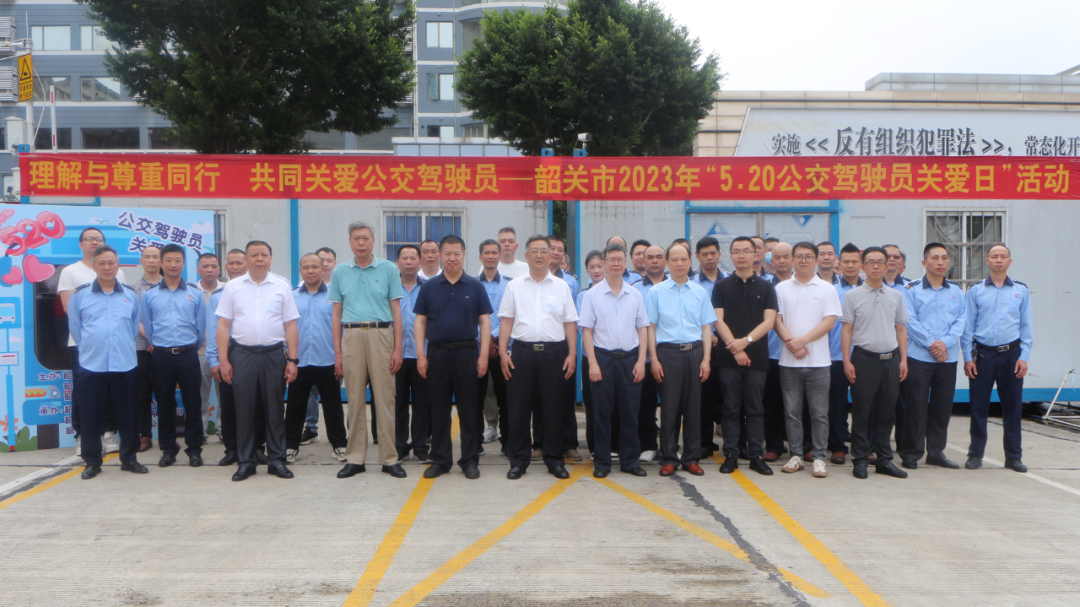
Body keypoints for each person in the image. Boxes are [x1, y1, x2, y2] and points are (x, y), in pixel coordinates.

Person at [215, 240, 300, 481]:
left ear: (271, 258)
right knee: (244, 410)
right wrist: (224, 361)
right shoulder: (233, 287)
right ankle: (246, 461)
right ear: (247, 259)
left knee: (275, 409)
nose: (259, 258)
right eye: (254, 255)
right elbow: (224, 325)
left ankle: (277, 460)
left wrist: (293, 360)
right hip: (242, 355)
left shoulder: (282, 286)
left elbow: (290, 324)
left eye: (264, 254)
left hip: (274, 355)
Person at [330, 221, 406, 479]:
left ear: (373, 241)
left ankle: (389, 458)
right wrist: (338, 354)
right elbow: (336, 314)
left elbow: (396, 310)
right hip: (351, 335)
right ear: (350, 242)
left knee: (385, 398)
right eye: (356, 238)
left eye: (365, 238)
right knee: (354, 399)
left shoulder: (389, 269)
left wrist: (397, 348)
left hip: (381, 334)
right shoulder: (340, 272)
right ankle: (355, 458)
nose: (361, 243)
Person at [499, 235, 578, 480]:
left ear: (551, 255)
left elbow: (570, 322)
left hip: (554, 354)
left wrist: (572, 354)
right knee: (518, 409)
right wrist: (503, 352)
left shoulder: (561, 286)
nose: (540, 255)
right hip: (521, 353)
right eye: (534, 250)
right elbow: (506, 321)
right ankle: (518, 461)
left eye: (544, 250)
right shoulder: (515, 286)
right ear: (527, 256)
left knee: (553, 408)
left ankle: (554, 460)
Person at [414, 235, 493, 479]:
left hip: (467, 353)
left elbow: (484, 322)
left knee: (469, 410)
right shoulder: (429, 287)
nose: (452, 258)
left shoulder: (475, 286)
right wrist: (421, 355)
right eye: (447, 253)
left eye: (457, 253)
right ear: (440, 255)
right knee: (438, 410)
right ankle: (441, 460)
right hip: (436, 354)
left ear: (464, 256)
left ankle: (469, 460)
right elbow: (420, 322)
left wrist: (483, 356)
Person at [68, 245, 147, 479]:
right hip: (91, 365)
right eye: (101, 263)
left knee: (128, 414)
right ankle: (92, 461)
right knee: (90, 415)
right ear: (94, 266)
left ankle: (129, 459)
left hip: (125, 364)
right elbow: (76, 330)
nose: (106, 267)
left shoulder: (130, 295)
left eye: (111, 262)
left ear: (118, 265)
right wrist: (93, 347)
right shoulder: (80, 295)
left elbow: (132, 328)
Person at [580, 243, 649, 478]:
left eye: (620, 259)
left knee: (630, 412)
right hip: (603, 359)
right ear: (605, 263)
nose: (616, 263)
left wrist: (641, 361)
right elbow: (587, 331)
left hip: (630, 359)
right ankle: (602, 462)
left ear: (625, 263)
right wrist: (592, 363)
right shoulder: (592, 295)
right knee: (602, 413)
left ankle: (630, 461)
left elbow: (642, 328)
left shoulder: (635, 294)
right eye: (612, 259)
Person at [961, 244, 1032, 473]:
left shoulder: (1021, 291)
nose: (999, 260)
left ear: (1010, 261)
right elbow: (968, 327)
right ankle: (975, 454)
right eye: (994, 256)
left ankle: (1013, 457)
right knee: (978, 407)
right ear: (987, 261)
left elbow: (1026, 327)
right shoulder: (975, 291)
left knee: (1013, 408)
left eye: (1003, 256)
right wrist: (968, 358)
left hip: (1011, 355)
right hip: (983, 355)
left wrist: (1023, 356)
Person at [773, 242, 842, 478]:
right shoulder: (781, 288)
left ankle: (819, 457)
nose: (804, 260)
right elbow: (777, 320)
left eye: (809, 257)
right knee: (792, 412)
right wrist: (791, 343)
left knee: (819, 413)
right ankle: (796, 455)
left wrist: (801, 341)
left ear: (816, 260)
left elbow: (829, 322)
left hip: (819, 362)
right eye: (799, 256)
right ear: (792, 259)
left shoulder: (827, 289)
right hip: (789, 362)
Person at [841, 246, 909, 480]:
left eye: (881, 261)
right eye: (871, 262)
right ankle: (860, 459)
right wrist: (847, 361)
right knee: (861, 412)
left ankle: (884, 460)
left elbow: (901, 329)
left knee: (887, 413)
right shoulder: (853, 296)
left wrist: (903, 360)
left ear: (888, 265)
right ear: (863, 267)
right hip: (864, 360)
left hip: (891, 360)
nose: (876, 266)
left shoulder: (896, 295)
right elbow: (846, 330)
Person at [647, 243, 715, 477]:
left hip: (695, 353)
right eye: (674, 259)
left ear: (689, 262)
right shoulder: (656, 292)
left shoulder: (699, 292)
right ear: (667, 263)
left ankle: (691, 457)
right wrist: (654, 359)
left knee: (693, 407)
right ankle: (669, 457)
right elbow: (651, 327)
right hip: (668, 354)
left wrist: (706, 359)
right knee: (669, 407)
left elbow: (706, 327)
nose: (679, 263)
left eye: (683, 259)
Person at [59, 227, 128, 455]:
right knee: (83, 392)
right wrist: (86, 342)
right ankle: (83, 437)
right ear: (81, 244)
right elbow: (70, 310)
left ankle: (109, 433)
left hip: (114, 345)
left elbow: (125, 311)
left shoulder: (118, 273)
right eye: (89, 238)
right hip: (82, 345)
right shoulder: (70, 271)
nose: (94, 242)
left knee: (110, 390)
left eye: (99, 238)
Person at [899, 243, 966, 470]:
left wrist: (945, 343)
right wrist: (932, 344)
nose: (940, 262)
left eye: (944, 258)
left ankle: (936, 452)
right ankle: (911, 453)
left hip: (947, 358)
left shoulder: (956, 290)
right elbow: (909, 321)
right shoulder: (911, 289)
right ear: (924, 262)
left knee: (942, 407)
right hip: (919, 357)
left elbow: (961, 320)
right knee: (916, 407)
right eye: (935, 258)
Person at [713, 237, 776, 476]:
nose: (741, 255)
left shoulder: (766, 287)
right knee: (730, 407)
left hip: (757, 357)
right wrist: (736, 348)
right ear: (730, 256)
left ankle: (756, 455)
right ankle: (730, 454)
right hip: (728, 357)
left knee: (755, 408)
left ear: (755, 254)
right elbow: (717, 320)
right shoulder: (721, 286)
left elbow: (769, 322)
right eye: (736, 251)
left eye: (746, 251)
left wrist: (745, 342)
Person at [141, 244, 207, 468]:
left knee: (193, 402)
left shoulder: (195, 293)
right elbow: (148, 327)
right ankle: (168, 449)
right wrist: (158, 345)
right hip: (161, 356)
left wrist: (191, 347)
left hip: (188, 355)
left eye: (177, 260)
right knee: (164, 404)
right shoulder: (149, 295)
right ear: (161, 263)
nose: (173, 264)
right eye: (168, 260)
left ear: (183, 263)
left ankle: (194, 450)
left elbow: (200, 329)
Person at [283, 254, 348, 463]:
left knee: (333, 406)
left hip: (328, 360)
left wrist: (340, 357)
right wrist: (288, 357)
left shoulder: (335, 296)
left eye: (314, 267)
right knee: (295, 406)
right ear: (300, 271)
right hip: (298, 361)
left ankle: (339, 444)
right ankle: (290, 446)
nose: (310, 271)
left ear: (323, 269)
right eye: (306, 267)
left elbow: (342, 328)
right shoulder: (291, 296)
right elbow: (283, 326)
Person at [208, 250, 262, 467]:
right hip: (228, 354)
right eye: (231, 263)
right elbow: (213, 330)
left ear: (247, 264)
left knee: (257, 403)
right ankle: (232, 449)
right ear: (226, 267)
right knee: (229, 404)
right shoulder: (217, 297)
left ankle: (257, 448)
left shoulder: (258, 292)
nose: (235, 267)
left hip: (253, 353)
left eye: (240, 262)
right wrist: (216, 361)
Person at [827, 243, 864, 465]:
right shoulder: (829, 290)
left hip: (864, 356)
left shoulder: (871, 289)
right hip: (835, 357)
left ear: (861, 264)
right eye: (846, 261)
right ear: (838, 264)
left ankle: (863, 447)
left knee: (864, 405)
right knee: (837, 406)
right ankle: (838, 447)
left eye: (855, 261)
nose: (850, 265)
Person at [394, 245, 431, 464]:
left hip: (422, 355)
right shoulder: (389, 288)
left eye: (413, 258)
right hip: (396, 355)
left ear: (420, 262)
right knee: (397, 403)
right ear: (397, 262)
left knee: (422, 403)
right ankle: (399, 446)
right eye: (404, 258)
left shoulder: (429, 288)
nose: (409, 262)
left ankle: (420, 446)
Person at [300, 246, 339, 446]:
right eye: (307, 267)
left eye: (328, 260)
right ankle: (309, 429)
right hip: (303, 356)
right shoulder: (297, 292)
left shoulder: (337, 292)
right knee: (306, 397)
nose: (324, 264)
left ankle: (339, 441)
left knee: (333, 401)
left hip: (329, 356)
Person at [548, 233, 582, 462]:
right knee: (541, 397)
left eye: (560, 249)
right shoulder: (532, 278)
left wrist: (572, 349)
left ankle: (569, 444)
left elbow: (574, 317)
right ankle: (540, 443)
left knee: (566, 395)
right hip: (541, 344)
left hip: (563, 344)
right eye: (553, 248)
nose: (556, 252)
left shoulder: (571, 282)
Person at [692, 236, 727, 458]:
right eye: (704, 254)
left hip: (728, 346)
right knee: (703, 396)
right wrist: (708, 337)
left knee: (727, 394)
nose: (709, 258)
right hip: (701, 347)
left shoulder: (730, 281)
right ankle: (704, 442)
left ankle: (732, 442)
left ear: (719, 254)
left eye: (713, 253)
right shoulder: (692, 284)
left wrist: (722, 336)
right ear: (697, 257)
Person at [476, 239, 511, 454]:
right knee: (475, 397)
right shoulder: (471, 284)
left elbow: (510, 315)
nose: (490, 256)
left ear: (499, 256)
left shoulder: (510, 284)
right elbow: (469, 316)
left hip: (502, 347)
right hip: (477, 348)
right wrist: (484, 339)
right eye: (486, 253)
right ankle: (475, 444)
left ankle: (508, 443)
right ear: (480, 257)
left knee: (505, 397)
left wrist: (492, 338)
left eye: (494, 253)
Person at [634, 244, 667, 462]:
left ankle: (670, 446)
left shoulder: (677, 286)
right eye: (650, 257)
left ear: (666, 261)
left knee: (672, 404)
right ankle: (647, 444)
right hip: (643, 357)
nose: (654, 261)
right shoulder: (634, 289)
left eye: (659, 257)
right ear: (643, 262)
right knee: (645, 404)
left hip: (670, 354)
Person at [577, 250, 610, 459]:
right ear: (587, 270)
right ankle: (594, 446)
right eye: (592, 267)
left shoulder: (619, 290)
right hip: (590, 355)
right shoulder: (582, 295)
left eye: (599, 266)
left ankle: (613, 445)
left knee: (613, 402)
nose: (596, 270)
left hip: (613, 355)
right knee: (592, 403)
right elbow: (583, 327)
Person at [762, 242, 793, 462]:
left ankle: (802, 445)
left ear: (793, 259)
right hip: (772, 353)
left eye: (786, 256)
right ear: (771, 261)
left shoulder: (804, 285)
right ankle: (774, 445)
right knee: (771, 403)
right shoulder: (764, 287)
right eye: (777, 257)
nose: (782, 261)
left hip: (800, 353)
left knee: (800, 404)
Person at [131, 245, 162, 452]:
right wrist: (152, 339)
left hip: (164, 348)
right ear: (141, 261)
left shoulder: (170, 286)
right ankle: (145, 435)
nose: (151, 260)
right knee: (142, 395)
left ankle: (167, 436)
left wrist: (159, 341)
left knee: (165, 394)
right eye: (147, 257)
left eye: (155, 257)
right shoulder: (131, 288)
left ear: (161, 261)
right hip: (141, 349)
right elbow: (132, 318)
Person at [195, 253, 223, 439]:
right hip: (199, 352)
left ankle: (223, 430)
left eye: (213, 266)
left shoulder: (229, 290)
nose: (210, 270)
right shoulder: (191, 291)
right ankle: (201, 432)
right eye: (205, 266)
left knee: (225, 396)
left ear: (219, 269)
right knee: (200, 396)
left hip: (224, 353)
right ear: (198, 269)